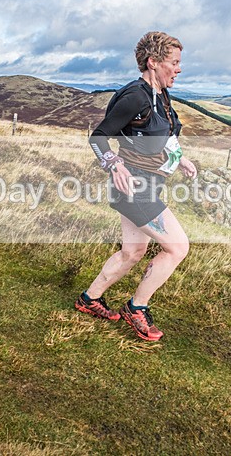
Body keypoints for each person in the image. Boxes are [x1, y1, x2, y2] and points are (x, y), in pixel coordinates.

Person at [76, 31, 197, 341]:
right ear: (153, 62)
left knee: (133, 251)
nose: (179, 69)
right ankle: (137, 307)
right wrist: (113, 163)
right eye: (175, 62)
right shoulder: (135, 96)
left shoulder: (161, 93)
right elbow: (98, 136)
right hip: (134, 186)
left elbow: (166, 134)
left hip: (148, 184)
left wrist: (179, 158)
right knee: (178, 247)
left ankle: (90, 300)